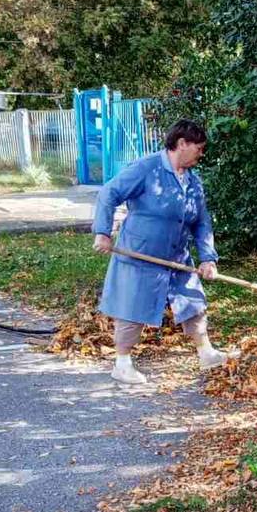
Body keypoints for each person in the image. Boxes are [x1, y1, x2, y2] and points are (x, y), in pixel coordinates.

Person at [91, 118, 230, 385]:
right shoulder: (147, 169)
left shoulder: (192, 181)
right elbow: (109, 193)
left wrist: (208, 258)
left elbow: (201, 222)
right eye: (199, 148)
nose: (202, 154)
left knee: (193, 301)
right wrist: (103, 232)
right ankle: (121, 364)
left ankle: (206, 353)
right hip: (140, 255)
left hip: (176, 256)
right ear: (182, 143)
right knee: (132, 307)